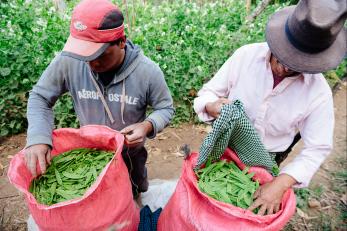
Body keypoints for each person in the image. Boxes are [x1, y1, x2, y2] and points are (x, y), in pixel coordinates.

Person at [194, 0, 346, 215]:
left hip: (268, 157)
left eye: (296, 65)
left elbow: (317, 148)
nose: (285, 67)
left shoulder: (318, 93)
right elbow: (208, 93)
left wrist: (280, 184)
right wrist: (211, 106)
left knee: (247, 211)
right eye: (284, 57)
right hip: (224, 145)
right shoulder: (245, 56)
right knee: (207, 203)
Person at [24, 0, 174, 200]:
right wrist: (38, 137)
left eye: (99, 54)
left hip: (130, 158)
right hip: (89, 157)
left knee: (130, 201)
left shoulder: (147, 72)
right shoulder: (70, 61)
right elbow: (40, 97)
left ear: (121, 41)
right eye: (85, 54)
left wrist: (147, 125)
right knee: (92, 203)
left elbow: (165, 108)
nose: (91, 62)